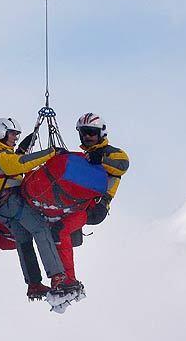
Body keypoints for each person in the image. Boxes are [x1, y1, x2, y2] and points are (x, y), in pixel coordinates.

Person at [0, 117, 72, 301]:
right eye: (12, 134)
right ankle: (57, 276)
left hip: (0, 209)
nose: (15, 138)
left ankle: (34, 284)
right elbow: (21, 163)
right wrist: (52, 152)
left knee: (24, 239)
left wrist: (32, 137)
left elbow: (18, 156)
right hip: (12, 203)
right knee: (41, 229)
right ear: (1, 132)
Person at [51, 113, 130, 284]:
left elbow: (122, 167)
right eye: (84, 132)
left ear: (101, 133)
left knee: (60, 230)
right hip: (79, 204)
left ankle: (68, 280)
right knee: (49, 227)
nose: (87, 136)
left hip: (96, 208)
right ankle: (56, 275)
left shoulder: (114, 154)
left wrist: (100, 160)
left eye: (92, 132)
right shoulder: (85, 157)